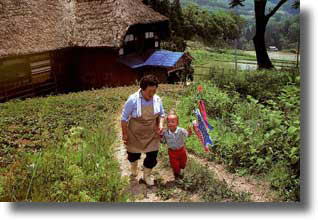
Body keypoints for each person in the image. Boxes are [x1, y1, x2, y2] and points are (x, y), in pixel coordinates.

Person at [121, 75, 165, 186]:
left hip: (151, 133)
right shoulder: (132, 99)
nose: (152, 94)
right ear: (142, 89)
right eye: (149, 91)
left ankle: (146, 176)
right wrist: (125, 134)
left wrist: (160, 125)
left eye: (154, 91)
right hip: (134, 134)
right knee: (133, 155)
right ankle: (134, 167)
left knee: (152, 155)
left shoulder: (157, 99)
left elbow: (161, 114)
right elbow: (124, 118)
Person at [161, 110, 192, 180]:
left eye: (172, 122)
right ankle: (177, 175)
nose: (170, 124)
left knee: (183, 163)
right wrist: (159, 136)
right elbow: (163, 141)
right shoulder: (165, 133)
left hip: (181, 150)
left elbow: (188, 135)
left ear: (177, 123)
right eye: (168, 122)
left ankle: (181, 169)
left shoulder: (181, 130)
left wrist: (190, 131)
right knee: (174, 165)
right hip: (172, 152)